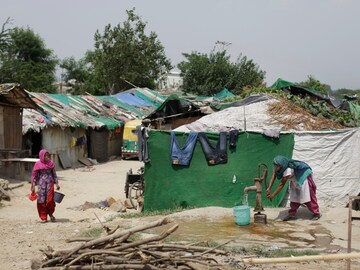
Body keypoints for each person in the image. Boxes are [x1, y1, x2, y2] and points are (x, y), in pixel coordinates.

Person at [266, 155, 321, 221]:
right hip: (294, 179)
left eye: (276, 166)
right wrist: (269, 188)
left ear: (281, 165)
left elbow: (282, 184)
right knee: (294, 197)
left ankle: (316, 213)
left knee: (308, 196)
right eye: (275, 165)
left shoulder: (288, 170)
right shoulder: (279, 167)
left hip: (303, 178)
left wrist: (273, 195)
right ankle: (292, 213)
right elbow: (274, 175)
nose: (275, 167)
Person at [31, 149, 60, 223]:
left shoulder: (51, 163)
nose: (47, 157)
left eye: (48, 155)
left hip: (50, 184)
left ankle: (50, 214)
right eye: (45, 155)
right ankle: (43, 217)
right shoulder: (37, 164)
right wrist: (33, 185)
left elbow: (54, 174)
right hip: (41, 185)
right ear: (41, 156)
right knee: (41, 200)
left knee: (50, 200)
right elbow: (34, 176)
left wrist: (57, 183)